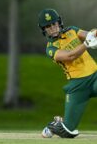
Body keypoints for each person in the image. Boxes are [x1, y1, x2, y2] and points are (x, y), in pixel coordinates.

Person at [38, 8, 97, 138]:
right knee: (67, 131)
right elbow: (70, 56)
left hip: (95, 76)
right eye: (48, 26)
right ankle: (55, 125)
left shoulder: (72, 30)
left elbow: (89, 34)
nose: (52, 28)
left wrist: (93, 34)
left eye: (54, 24)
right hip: (78, 85)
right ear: (44, 30)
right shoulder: (50, 48)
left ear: (59, 22)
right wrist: (87, 44)